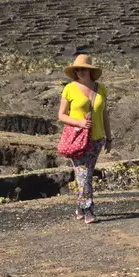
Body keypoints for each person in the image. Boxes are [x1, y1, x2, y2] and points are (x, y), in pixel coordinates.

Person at [56, 53, 111, 223]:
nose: (80, 72)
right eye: (77, 69)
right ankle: (88, 209)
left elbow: (104, 114)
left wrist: (109, 137)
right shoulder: (69, 89)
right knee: (84, 173)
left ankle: (80, 207)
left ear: (90, 70)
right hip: (78, 139)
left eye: (83, 69)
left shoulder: (100, 89)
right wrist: (79, 123)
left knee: (85, 174)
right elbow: (61, 115)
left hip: (97, 139)